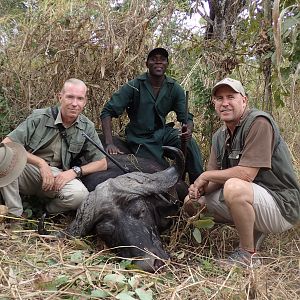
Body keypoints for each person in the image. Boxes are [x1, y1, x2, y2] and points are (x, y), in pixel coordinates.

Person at [185, 77, 300, 267]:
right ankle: (253, 228)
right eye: (219, 98)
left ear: (244, 100)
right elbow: (214, 179)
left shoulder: (259, 122)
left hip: (282, 206)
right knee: (192, 203)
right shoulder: (218, 136)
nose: (225, 103)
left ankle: (248, 254)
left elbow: (246, 175)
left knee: (234, 187)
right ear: (214, 103)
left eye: (231, 96)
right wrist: (200, 188)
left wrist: (204, 176)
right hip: (255, 199)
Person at [0, 78, 107, 217]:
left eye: (80, 99)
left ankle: (44, 213)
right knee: (3, 156)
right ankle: (15, 215)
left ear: (85, 101)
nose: (75, 103)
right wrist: (41, 163)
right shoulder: (39, 117)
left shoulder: (87, 127)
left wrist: (75, 172)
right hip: (28, 170)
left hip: (58, 176)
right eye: (70, 97)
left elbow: (102, 163)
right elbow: (8, 144)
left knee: (80, 195)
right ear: (60, 97)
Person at [100, 47, 203, 183]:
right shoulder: (134, 86)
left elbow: (186, 118)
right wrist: (109, 143)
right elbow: (107, 111)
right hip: (140, 138)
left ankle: (199, 187)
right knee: (157, 169)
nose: (158, 63)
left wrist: (188, 130)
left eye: (162, 60)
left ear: (167, 64)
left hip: (163, 133)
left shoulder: (174, 87)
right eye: (154, 60)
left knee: (189, 144)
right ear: (147, 63)